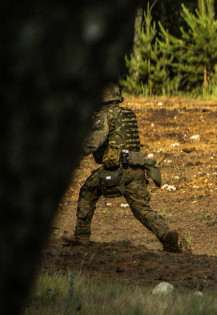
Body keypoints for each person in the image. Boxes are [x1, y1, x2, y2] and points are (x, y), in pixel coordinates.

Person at [63, 83, 180, 252]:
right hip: (137, 168)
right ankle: (166, 234)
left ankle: (81, 236)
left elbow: (94, 142)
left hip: (116, 170)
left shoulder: (104, 116)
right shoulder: (128, 114)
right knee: (141, 208)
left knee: (87, 191)